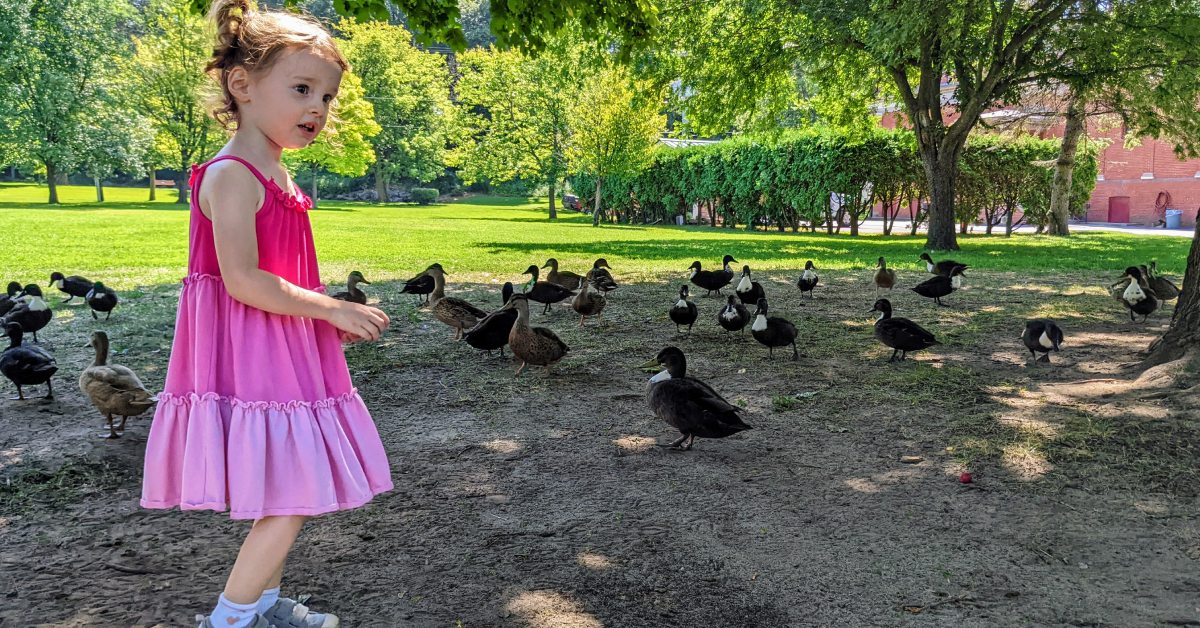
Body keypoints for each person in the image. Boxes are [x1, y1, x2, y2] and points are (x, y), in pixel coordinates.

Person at [139, 1, 393, 626]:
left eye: (328, 97)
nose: (319, 109)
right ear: (242, 85)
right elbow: (244, 281)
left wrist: (320, 325)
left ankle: (265, 607)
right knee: (297, 489)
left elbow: (282, 279)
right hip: (252, 355)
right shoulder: (232, 175)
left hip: (284, 345)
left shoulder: (275, 168)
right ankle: (229, 619)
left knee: (284, 486)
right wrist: (330, 308)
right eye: (302, 89)